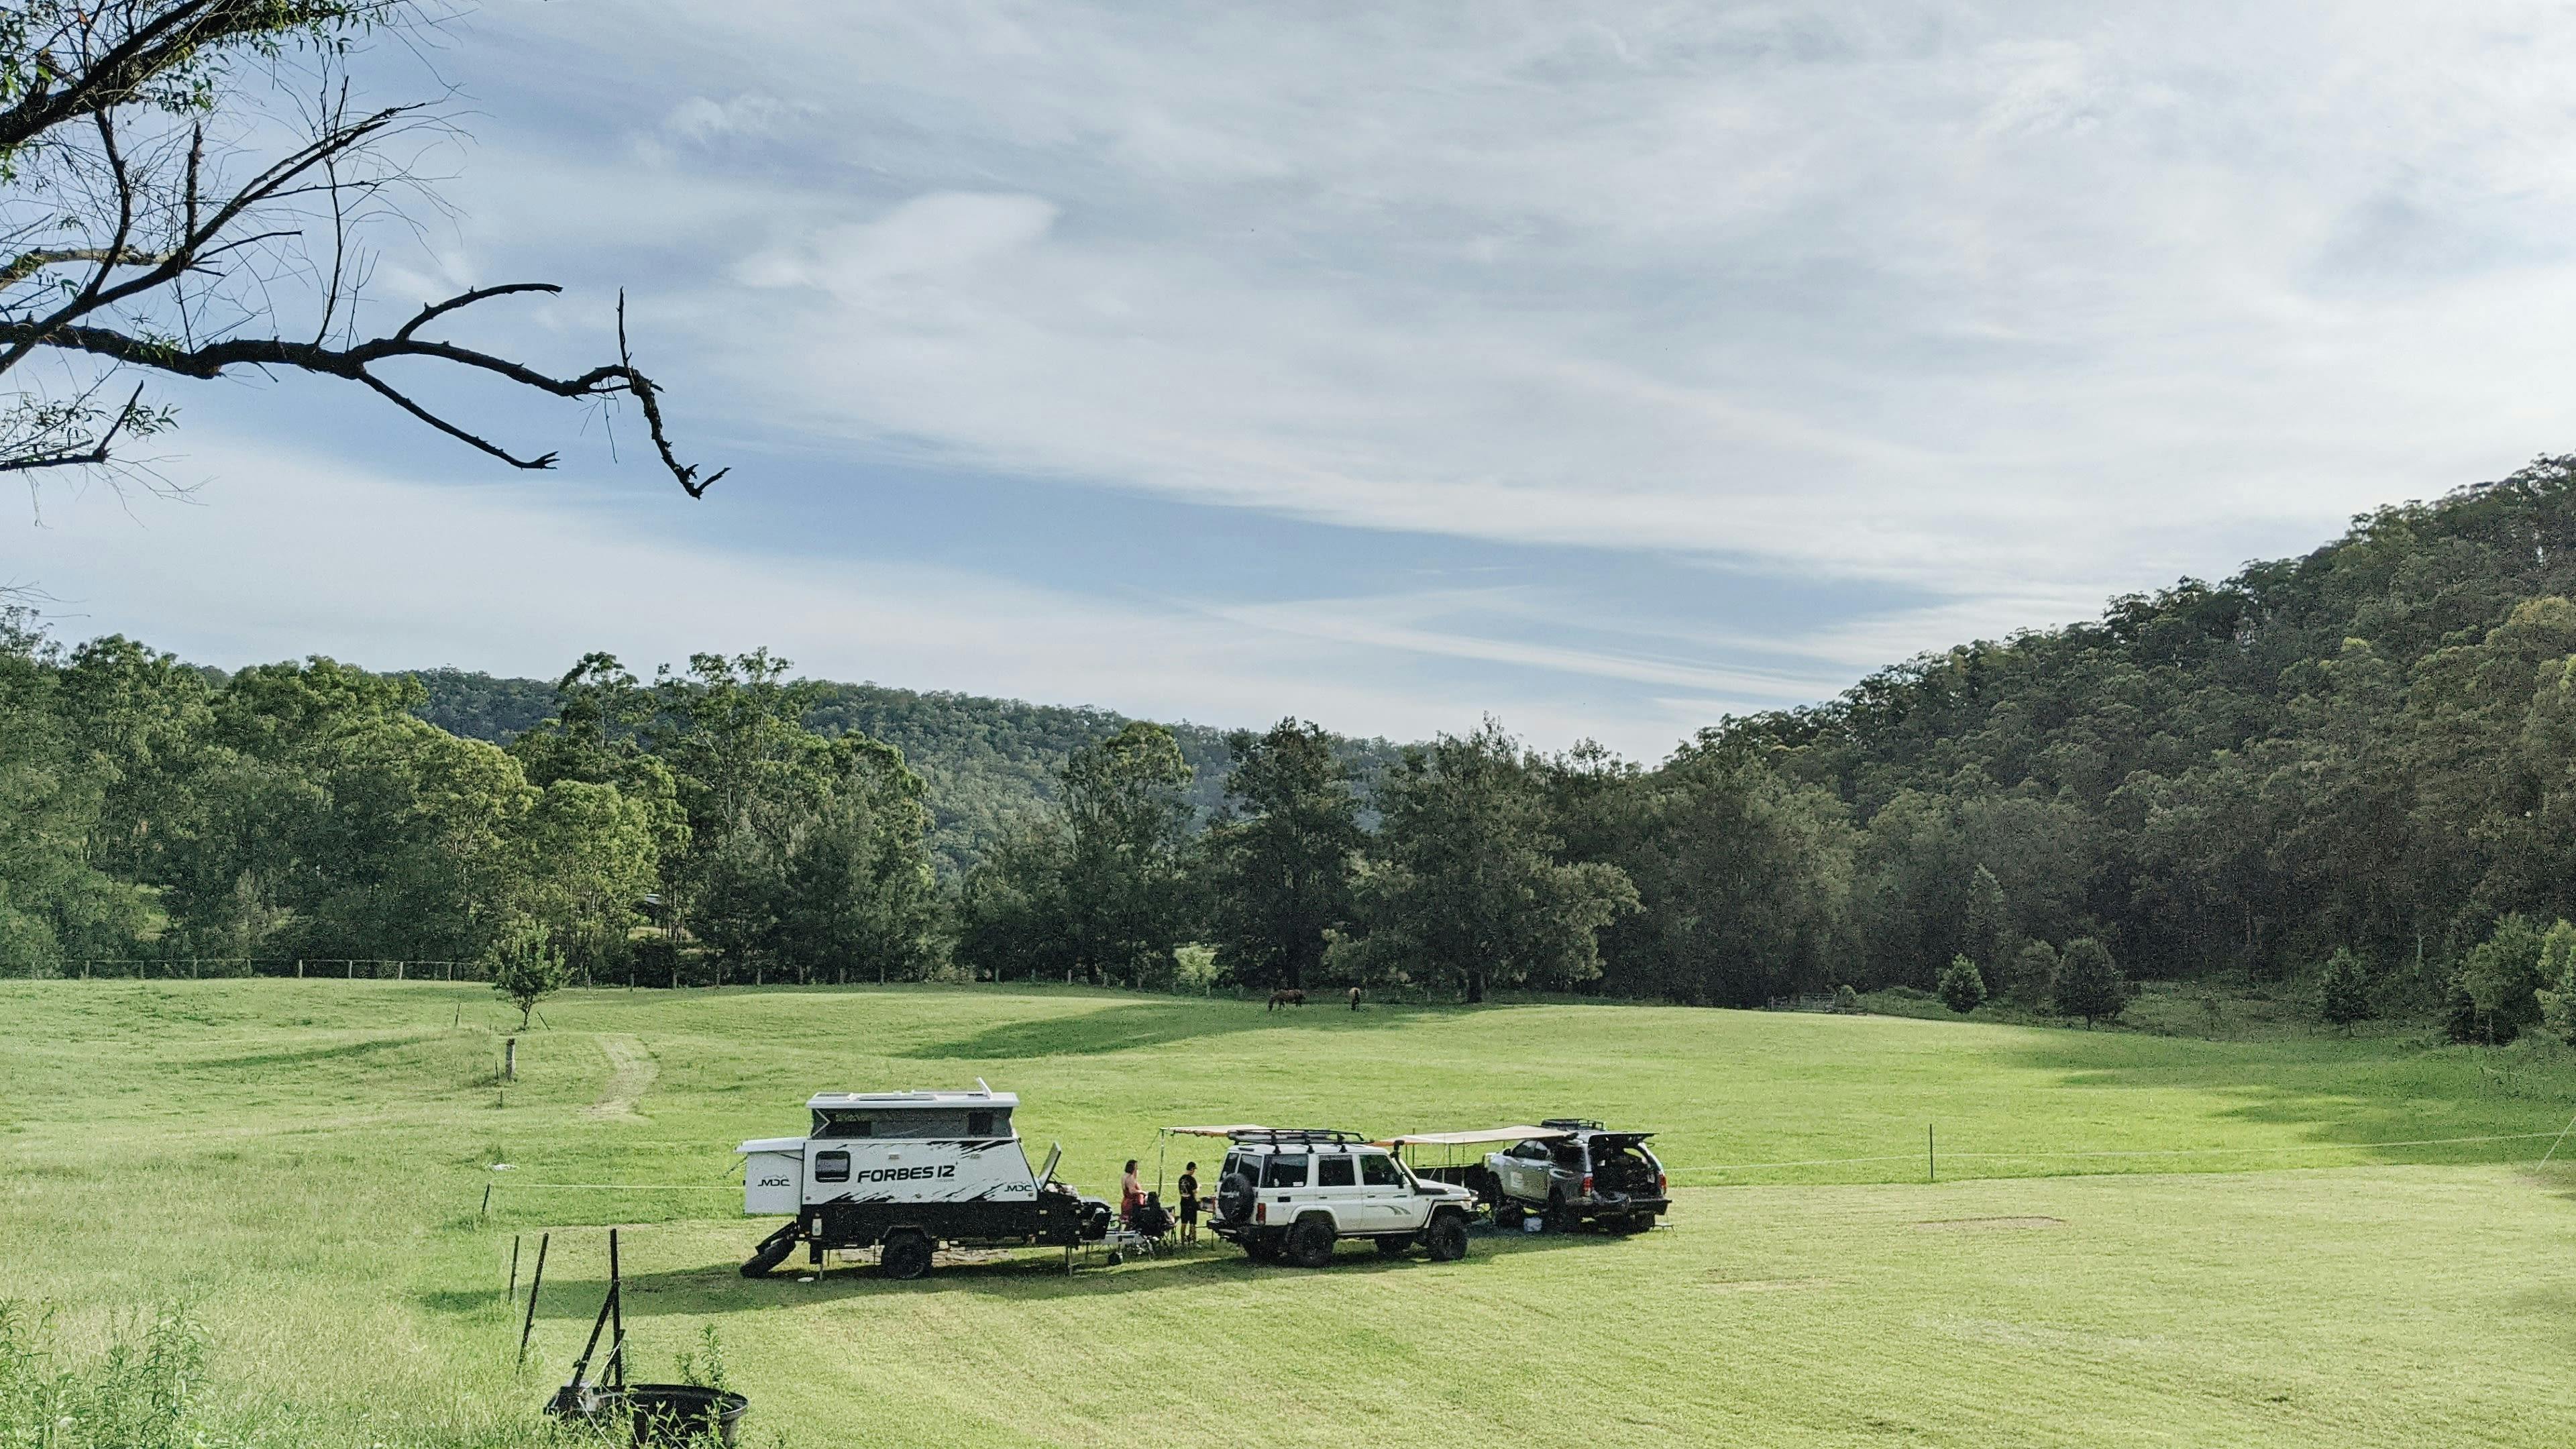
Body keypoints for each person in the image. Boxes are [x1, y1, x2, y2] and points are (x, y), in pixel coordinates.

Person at [1177, 1161, 1201, 1246]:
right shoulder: (1192, 1179)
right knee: (1193, 1223)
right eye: (1194, 1170)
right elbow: (1194, 1192)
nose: (1194, 1172)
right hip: (1191, 1203)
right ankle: (1193, 1241)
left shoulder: (1181, 1179)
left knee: (1184, 1222)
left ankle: (1183, 1240)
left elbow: (1180, 1191)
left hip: (1183, 1202)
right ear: (1192, 1169)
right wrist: (1199, 1187)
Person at [1120, 1159, 1144, 1224]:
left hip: (1126, 1203)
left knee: (1130, 1225)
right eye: (1136, 1168)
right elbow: (1132, 1191)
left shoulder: (1125, 1176)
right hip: (1133, 1204)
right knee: (1134, 1223)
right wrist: (1142, 1192)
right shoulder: (1130, 1178)